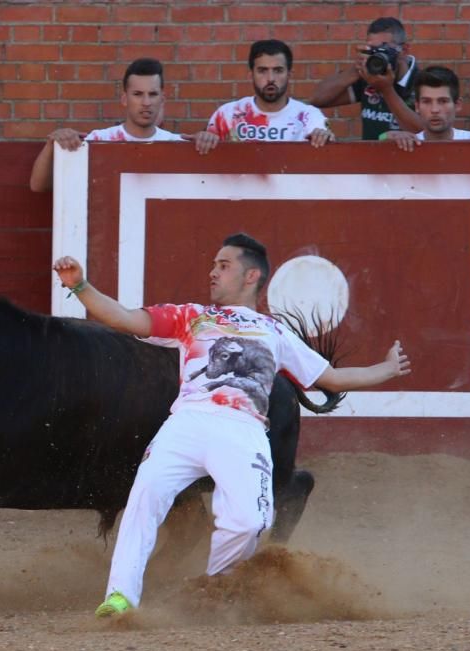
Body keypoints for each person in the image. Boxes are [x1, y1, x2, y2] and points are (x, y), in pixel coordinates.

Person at [52, 234, 411, 617]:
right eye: (213, 265)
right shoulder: (192, 316)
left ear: (251, 275)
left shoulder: (276, 333)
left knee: (251, 520)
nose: (212, 272)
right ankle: (120, 598)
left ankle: (214, 589)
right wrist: (81, 286)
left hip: (243, 429)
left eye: (223, 266)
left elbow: (332, 379)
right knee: (145, 498)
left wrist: (387, 369)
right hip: (187, 422)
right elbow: (124, 317)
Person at [29, 58, 185, 192]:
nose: (146, 103)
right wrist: (51, 145)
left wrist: (208, 141)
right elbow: (38, 186)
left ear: (162, 100)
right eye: (137, 94)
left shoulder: (177, 144)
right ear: (124, 99)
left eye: (153, 94)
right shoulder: (98, 139)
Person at [191, 40, 335, 153]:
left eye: (278, 70)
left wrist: (324, 137)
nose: (270, 78)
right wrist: (205, 138)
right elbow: (205, 156)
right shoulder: (228, 114)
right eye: (262, 71)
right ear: (251, 75)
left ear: (289, 75)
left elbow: (329, 148)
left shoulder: (309, 116)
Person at [309, 17, 423, 140]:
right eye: (373, 49)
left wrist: (386, 90)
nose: (379, 55)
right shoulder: (369, 76)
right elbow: (317, 100)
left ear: (404, 50)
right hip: (369, 157)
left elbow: (422, 131)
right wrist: (355, 70)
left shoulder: (422, 81)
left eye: (384, 49)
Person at [383, 66, 470, 151]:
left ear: (457, 105)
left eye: (443, 101)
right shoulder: (405, 145)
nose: (435, 110)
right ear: (417, 106)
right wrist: (384, 139)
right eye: (426, 101)